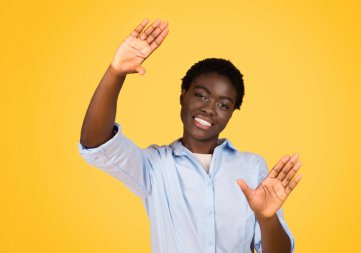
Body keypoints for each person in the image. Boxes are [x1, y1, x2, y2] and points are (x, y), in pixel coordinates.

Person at [78, 18, 302, 253]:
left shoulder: (251, 166)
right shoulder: (155, 166)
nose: (209, 108)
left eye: (223, 105)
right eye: (201, 95)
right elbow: (96, 142)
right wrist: (116, 72)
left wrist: (267, 218)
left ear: (232, 114)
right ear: (183, 96)